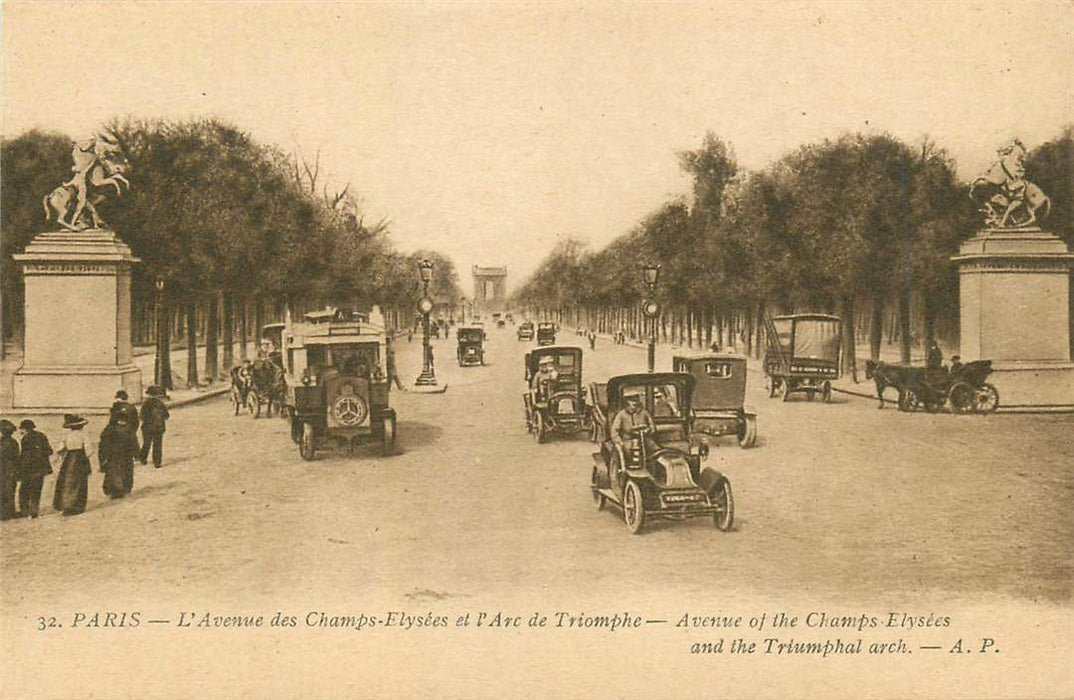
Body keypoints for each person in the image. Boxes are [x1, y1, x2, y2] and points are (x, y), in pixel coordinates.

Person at [53, 414, 93, 516]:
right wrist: (87, 457)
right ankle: (77, 506)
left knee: (67, 481)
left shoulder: (67, 435)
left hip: (69, 458)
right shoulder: (83, 434)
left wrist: (57, 457)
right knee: (80, 482)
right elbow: (89, 450)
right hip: (80, 457)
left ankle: (66, 505)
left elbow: (60, 448)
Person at [17, 419, 53, 518]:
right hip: (41, 468)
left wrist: (20, 468)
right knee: (36, 489)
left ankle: (24, 511)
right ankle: (34, 511)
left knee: (24, 490)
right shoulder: (42, 435)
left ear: (25, 429)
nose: (21, 431)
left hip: (28, 468)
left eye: (22, 429)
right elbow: (50, 451)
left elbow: (24, 455)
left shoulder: (25, 439)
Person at [99, 411, 139, 499]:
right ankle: (120, 489)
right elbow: (134, 442)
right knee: (120, 471)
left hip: (118, 455)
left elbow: (103, 443)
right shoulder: (127, 429)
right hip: (120, 455)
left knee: (116, 471)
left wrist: (103, 456)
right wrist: (136, 454)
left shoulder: (110, 429)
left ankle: (117, 489)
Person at [610, 390, 656, 462]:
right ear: (627, 403)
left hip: (644, 438)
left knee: (654, 448)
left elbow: (652, 426)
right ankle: (630, 467)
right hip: (627, 440)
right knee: (629, 451)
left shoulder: (644, 413)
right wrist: (619, 441)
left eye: (636, 400)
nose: (634, 403)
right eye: (632, 401)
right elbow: (614, 431)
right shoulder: (621, 415)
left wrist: (648, 430)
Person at [139, 386, 170, 469]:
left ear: (149, 394)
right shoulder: (161, 404)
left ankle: (143, 458)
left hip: (147, 427)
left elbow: (141, 416)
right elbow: (166, 416)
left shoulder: (146, 404)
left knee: (146, 443)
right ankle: (157, 462)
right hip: (159, 427)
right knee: (158, 444)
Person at [0, 420, 19, 520]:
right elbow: (16, 457)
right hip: (10, 468)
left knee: (4, 490)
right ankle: (9, 512)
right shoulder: (13, 442)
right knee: (9, 490)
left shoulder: (3, 442)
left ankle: (4, 513)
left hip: (5, 468)